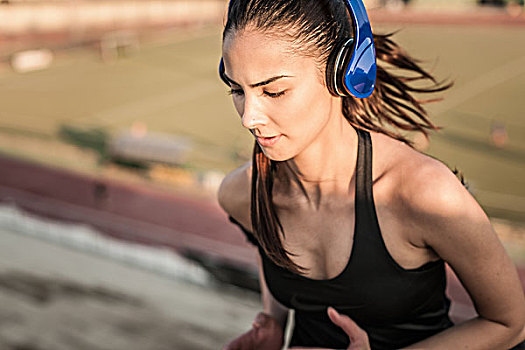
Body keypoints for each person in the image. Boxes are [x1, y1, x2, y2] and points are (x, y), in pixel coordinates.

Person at [216, 0, 525, 349]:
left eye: (274, 91)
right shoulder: (241, 194)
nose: (249, 118)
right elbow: (271, 256)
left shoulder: (423, 194)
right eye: (238, 90)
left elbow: (510, 323)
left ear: (342, 72)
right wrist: (274, 321)